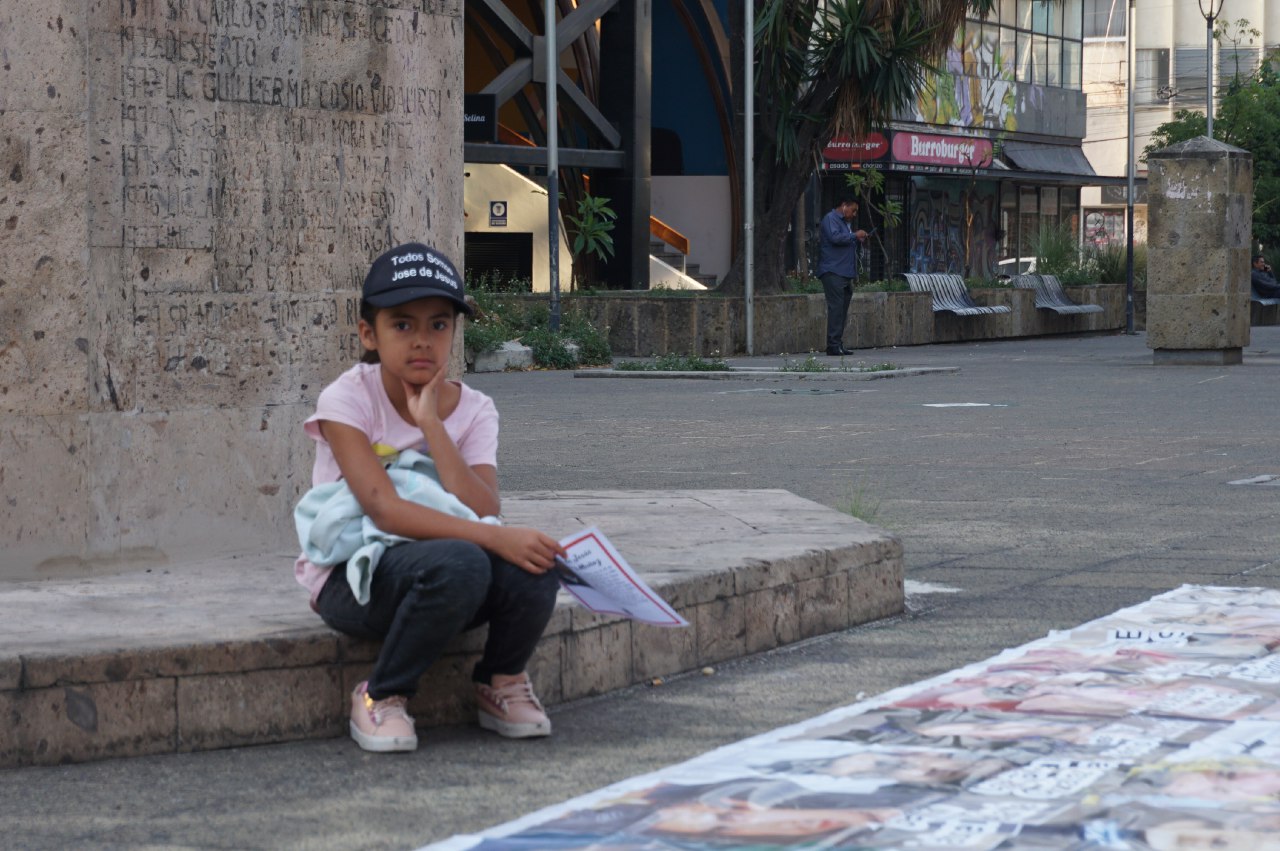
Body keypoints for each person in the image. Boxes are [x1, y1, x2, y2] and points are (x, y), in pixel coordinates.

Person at [293, 241, 566, 753]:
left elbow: (484, 505)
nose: (422, 341)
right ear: (368, 334)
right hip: (355, 578)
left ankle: (501, 680)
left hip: (448, 572)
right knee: (467, 558)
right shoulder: (346, 398)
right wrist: (494, 538)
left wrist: (432, 426)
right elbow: (382, 508)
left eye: (438, 325)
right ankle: (381, 695)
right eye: (403, 325)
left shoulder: (476, 409)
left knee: (537, 563)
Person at [816, 195, 869, 356]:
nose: (854, 214)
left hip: (845, 272)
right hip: (833, 271)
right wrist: (854, 235)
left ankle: (837, 343)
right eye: (853, 210)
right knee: (836, 308)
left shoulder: (845, 224)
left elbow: (843, 240)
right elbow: (834, 238)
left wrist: (856, 238)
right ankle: (832, 345)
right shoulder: (831, 219)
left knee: (842, 309)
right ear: (844, 205)